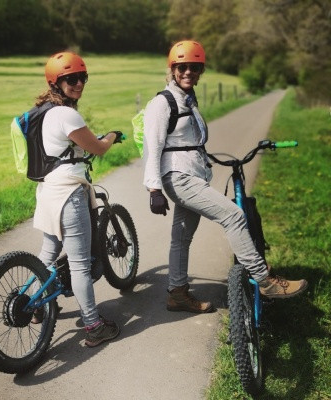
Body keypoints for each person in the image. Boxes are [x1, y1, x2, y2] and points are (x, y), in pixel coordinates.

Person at [143, 40, 308, 313]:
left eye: (195, 68)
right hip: (178, 177)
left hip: (193, 175)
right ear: (172, 69)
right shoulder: (162, 103)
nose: (188, 72)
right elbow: (153, 146)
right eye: (182, 67)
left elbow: (190, 139)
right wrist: (154, 189)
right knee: (233, 215)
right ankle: (264, 279)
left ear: (201, 70)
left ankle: (177, 293)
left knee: (181, 238)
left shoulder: (187, 99)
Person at [31, 51, 122, 347]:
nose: (78, 83)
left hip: (47, 191)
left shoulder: (44, 112)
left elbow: (70, 144)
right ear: (55, 82)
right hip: (68, 193)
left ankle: (32, 303)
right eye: (70, 79)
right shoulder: (67, 113)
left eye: (82, 77)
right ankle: (94, 326)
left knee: (48, 252)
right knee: (81, 265)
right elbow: (98, 148)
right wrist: (110, 136)